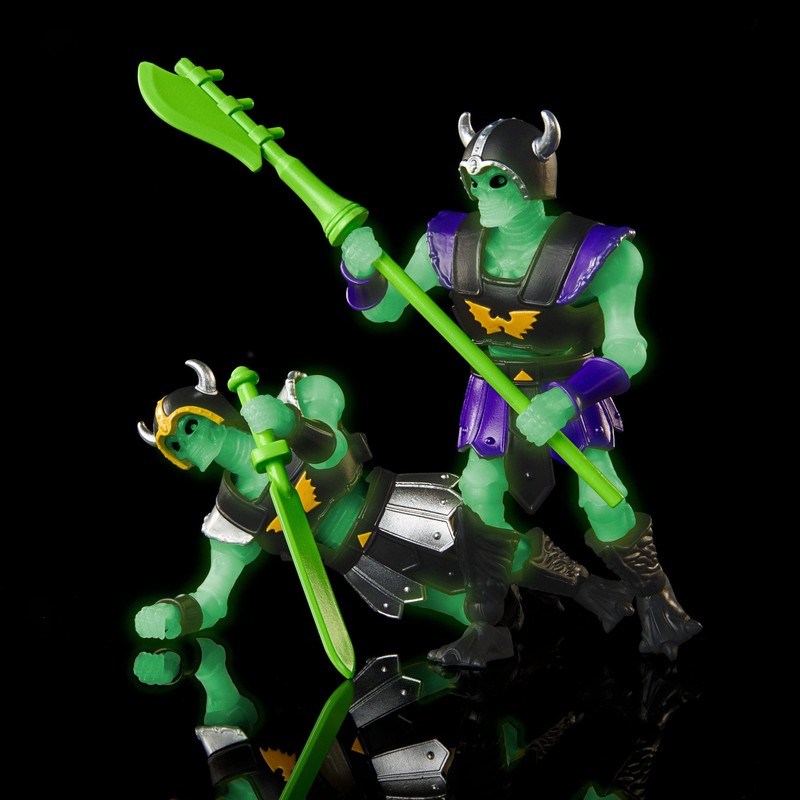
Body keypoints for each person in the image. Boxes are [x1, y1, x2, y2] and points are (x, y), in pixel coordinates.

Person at [339, 112, 700, 660]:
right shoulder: (447, 244)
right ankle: (490, 625)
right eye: (473, 181)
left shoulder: (602, 253)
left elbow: (630, 349)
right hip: (493, 384)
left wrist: (568, 398)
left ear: (534, 180)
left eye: (496, 180)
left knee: (601, 497)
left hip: (571, 384)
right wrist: (363, 272)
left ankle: (656, 597)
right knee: (478, 494)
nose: (483, 194)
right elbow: (385, 310)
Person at [134, 359, 635, 667]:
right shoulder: (230, 515)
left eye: (189, 427)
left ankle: (591, 590)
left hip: (394, 504)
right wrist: (177, 613)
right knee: (465, 608)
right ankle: (504, 634)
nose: (187, 442)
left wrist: (289, 425)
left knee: (493, 545)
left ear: (211, 409)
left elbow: (335, 452)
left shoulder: (298, 397)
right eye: (174, 444)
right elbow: (215, 594)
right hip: (362, 565)